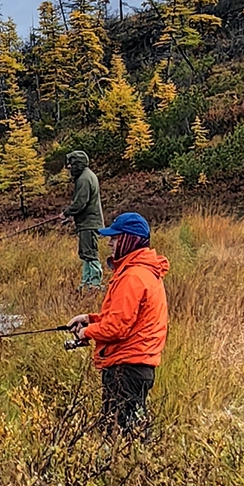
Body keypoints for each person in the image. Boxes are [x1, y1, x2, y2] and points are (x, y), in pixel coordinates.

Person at [69, 211, 169, 437]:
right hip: (137, 367)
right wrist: (90, 319)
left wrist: (86, 332)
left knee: (120, 437)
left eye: (115, 237)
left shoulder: (133, 276)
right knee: (133, 435)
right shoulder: (143, 272)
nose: (110, 242)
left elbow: (116, 328)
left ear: (128, 240)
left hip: (127, 368)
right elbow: (125, 318)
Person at [63, 149, 103, 288]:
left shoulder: (84, 179)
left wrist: (67, 213)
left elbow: (80, 202)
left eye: (71, 163)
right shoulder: (86, 176)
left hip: (89, 223)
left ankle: (95, 284)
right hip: (86, 222)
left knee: (90, 253)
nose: (68, 167)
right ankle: (86, 283)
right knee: (85, 253)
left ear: (77, 164)